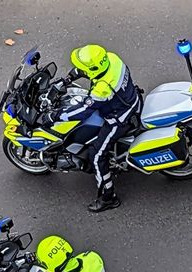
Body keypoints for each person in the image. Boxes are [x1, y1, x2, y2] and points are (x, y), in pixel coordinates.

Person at [41, 44, 141, 212]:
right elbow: (87, 71)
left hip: (120, 119)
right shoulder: (112, 59)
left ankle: (108, 198)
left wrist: (54, 116)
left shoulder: (103, 88)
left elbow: (82, 111)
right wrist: (67, 79)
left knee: (97, 155)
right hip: (131, 99)